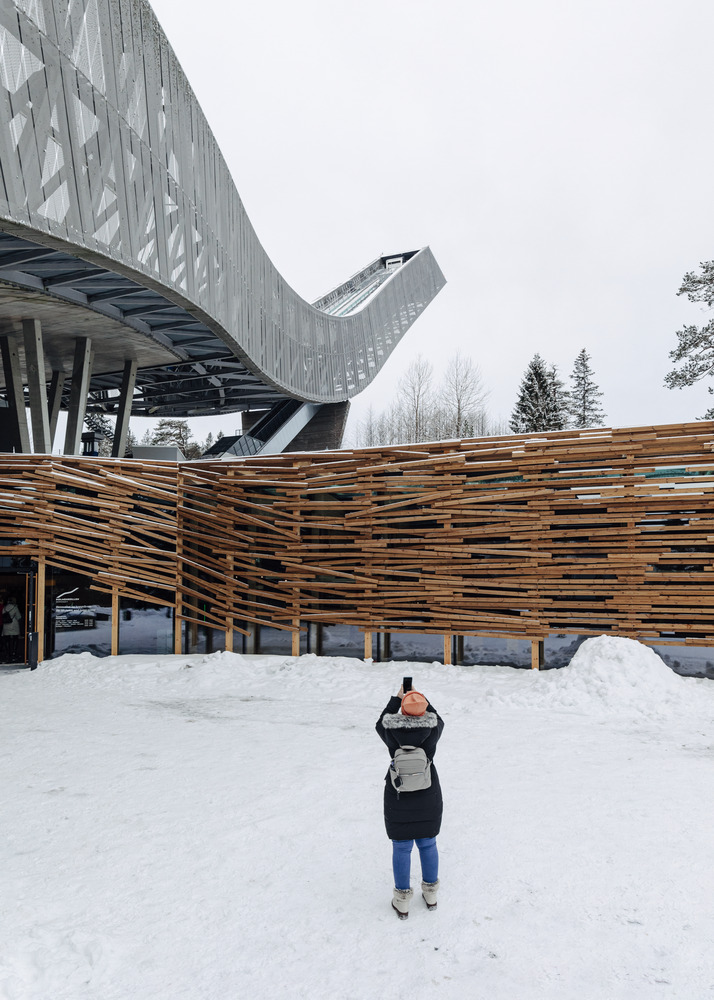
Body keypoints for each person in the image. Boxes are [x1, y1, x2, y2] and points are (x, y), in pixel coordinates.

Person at [375, 685, 445, 919]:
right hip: (428, 795)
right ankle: (431, 894)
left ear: (403, 710)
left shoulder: (390, 729)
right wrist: (420, 697)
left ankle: (402, 901)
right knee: (428, 844)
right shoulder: (432, 729)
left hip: (398, 796)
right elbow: (439, 720)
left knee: (402, 846)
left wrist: (397, 699)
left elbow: (381, 721)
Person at [2, 595, 22, 663]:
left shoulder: (4, 608)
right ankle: (14, 653)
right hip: (14, 625)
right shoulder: (15, 607)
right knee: (15, 639)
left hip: (6, 625)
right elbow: (19, 616)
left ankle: (8, 653)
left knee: (6, 640)